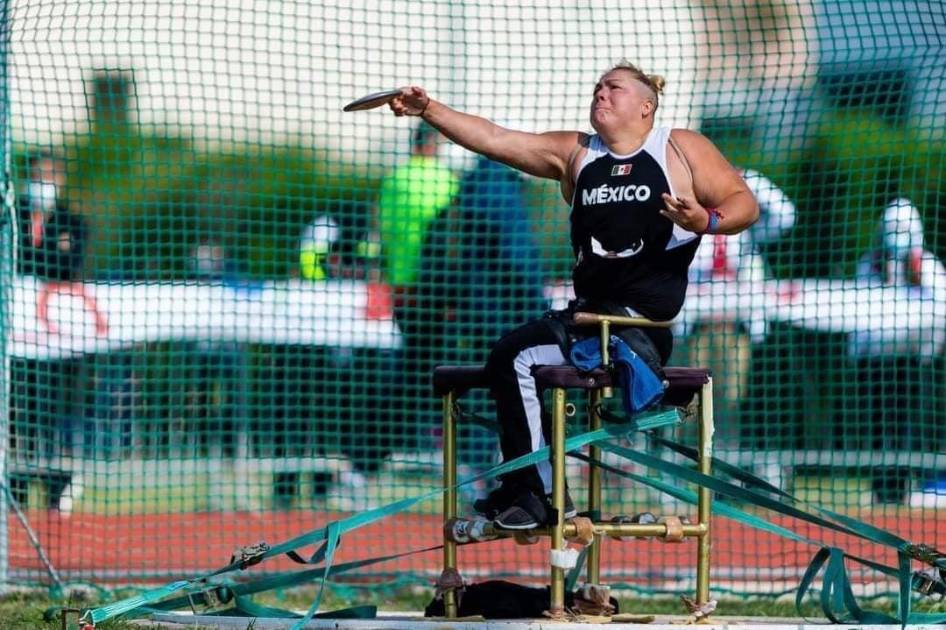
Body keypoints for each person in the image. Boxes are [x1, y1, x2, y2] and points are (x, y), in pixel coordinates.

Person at [386, 61, 759, 528]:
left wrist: (706, 220)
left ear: (646, 106)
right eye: (598, 87)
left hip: (637, 328)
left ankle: (539, 495)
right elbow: (495, 138)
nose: (601, 93)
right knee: (509, 354)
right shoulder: (579, 153)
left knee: (516, 357)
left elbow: (744, 203)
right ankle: (531, 488)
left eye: (614, 87)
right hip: (586, 320)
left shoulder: (679, 148)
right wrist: (429, 109)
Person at [686, 168, 797, 444]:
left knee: (731, 398)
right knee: (692, 397)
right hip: (700, 329)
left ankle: (728, 454)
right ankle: (689, 456)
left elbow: (786, 215)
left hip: (735, 330)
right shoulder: (692, 223)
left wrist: (745, 179)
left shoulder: (747, 229)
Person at [847, 198, 946, 501]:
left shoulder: (928, 266)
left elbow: (940, 311)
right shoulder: (870, 264)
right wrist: (857, 352)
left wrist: (930, 350)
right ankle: (882, 487)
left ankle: (906, 485)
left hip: (913, 361)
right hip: (877, 362)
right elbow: (857, 311)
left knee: (910, 424)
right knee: (879, 425)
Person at [11, 151, 88, 511]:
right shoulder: (11, 218)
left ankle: (57, 488)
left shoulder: (73, 221)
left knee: (54, 412)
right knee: (18, 411)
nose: (42, 183)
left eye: (50, 176)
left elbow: (68, 265)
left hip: (57, 339)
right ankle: (16, 488)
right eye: (37, 175)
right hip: (17, 340)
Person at [377, 121, 459, 454]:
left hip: (402, 290)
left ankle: (395, 441)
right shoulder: (448, 182)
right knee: (442, 364)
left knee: (409, 367)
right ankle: (437, 438)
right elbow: (456, 239)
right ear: (434, 145)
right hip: (437, 292)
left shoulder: (394, 181)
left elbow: (384, 232)